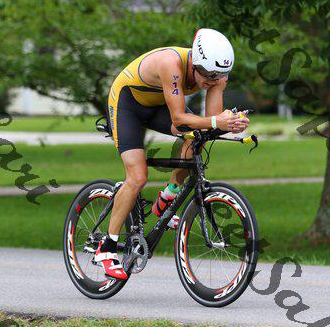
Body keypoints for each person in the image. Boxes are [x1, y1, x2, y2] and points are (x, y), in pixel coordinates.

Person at [94, 28, 250, 279]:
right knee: (137, 176)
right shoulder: (171, 64)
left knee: (198, 137)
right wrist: (217, 121)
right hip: (127, 104)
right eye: (208, 75)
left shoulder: (216, 76)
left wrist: (231, 123)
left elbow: (210, 123)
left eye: (219, 76)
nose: (213, 81)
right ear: (195, 62)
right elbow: (179, 118)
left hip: (158, 105)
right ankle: (107, 248)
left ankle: (167, 197)